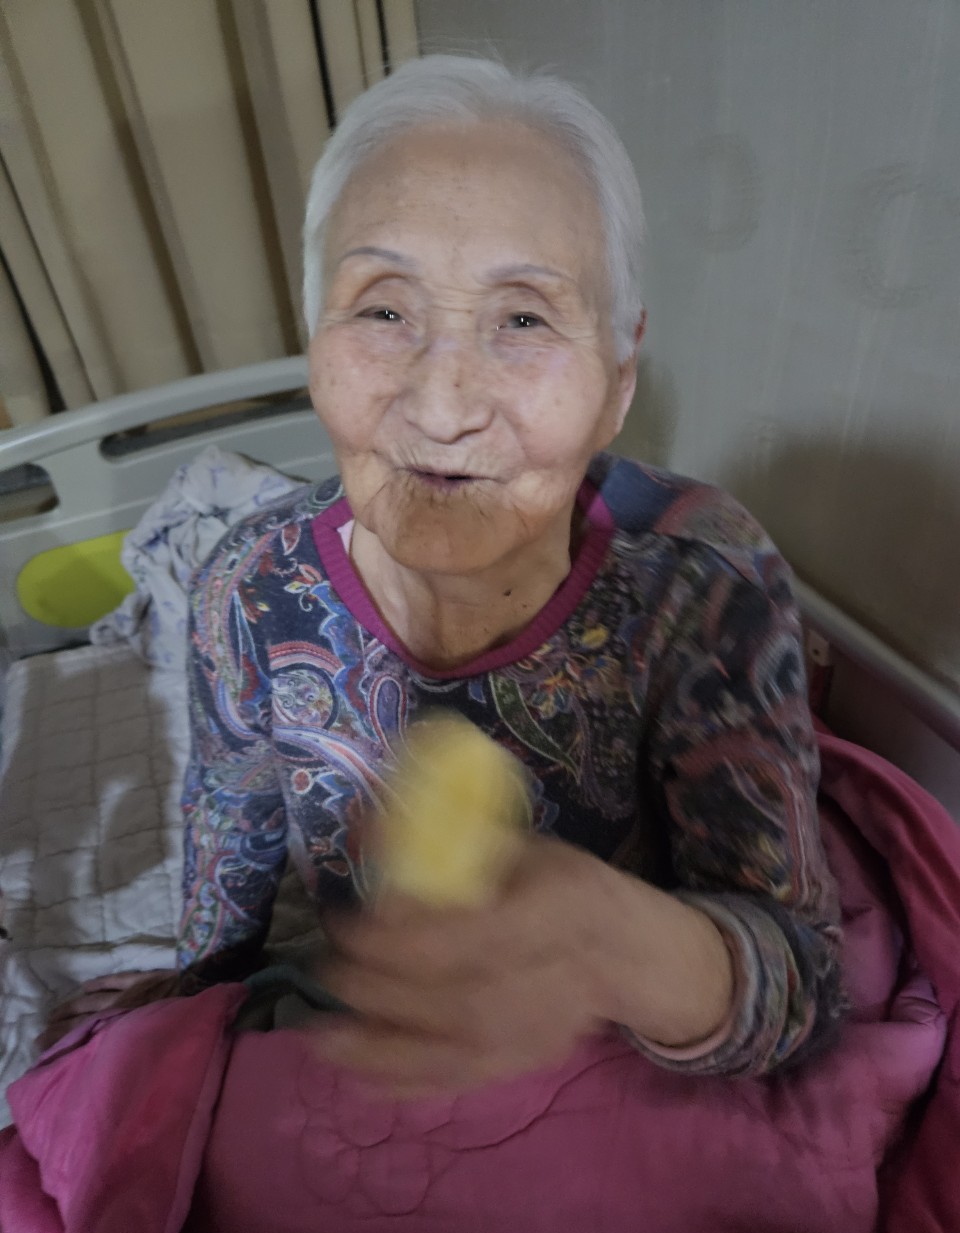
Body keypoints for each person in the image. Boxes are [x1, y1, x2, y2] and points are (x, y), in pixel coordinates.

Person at [40, 55, 843, 1090]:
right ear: (316, 341)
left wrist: (622, 942)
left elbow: (804, 979)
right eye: (383, 310)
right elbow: (224, 887)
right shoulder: (249, 591)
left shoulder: (702, 583)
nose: (442, 406)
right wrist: (191, 1035)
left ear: (618, 380)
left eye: (524, 318)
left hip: (628, 1064)